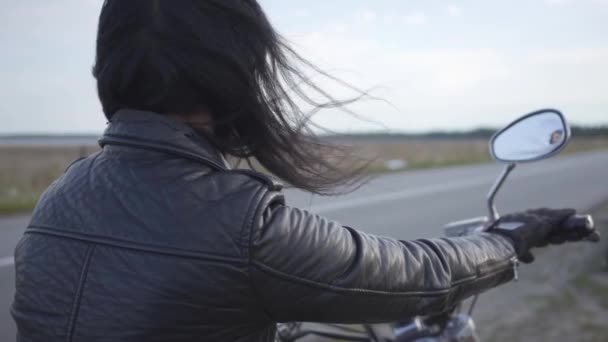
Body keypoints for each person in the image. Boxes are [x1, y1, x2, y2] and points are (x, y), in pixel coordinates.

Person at [11, 1, 596, 341]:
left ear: (107, 71)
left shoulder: (59, 199)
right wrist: (510, 238)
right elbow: (416, 276)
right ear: (237, 74)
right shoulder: (241, 226)